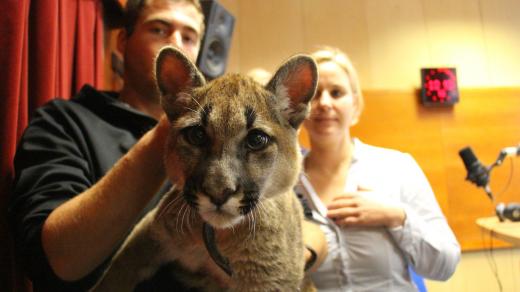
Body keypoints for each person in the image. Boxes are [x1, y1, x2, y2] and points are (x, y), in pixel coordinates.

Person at [8, 0, 205, 290]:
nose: (176, 44)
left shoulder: (208, 140)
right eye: (160, 29)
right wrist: (171, 130)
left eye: (189, 37)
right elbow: (55, 261)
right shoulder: (63, 121)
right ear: (122, 42)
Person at [296, 47, 461, 291]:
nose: (325, 103)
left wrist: (397, 216)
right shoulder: (283, 183)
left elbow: (445, 265)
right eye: (314, 94)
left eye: (337, 92)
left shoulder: (397, 168)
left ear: (355, 102)